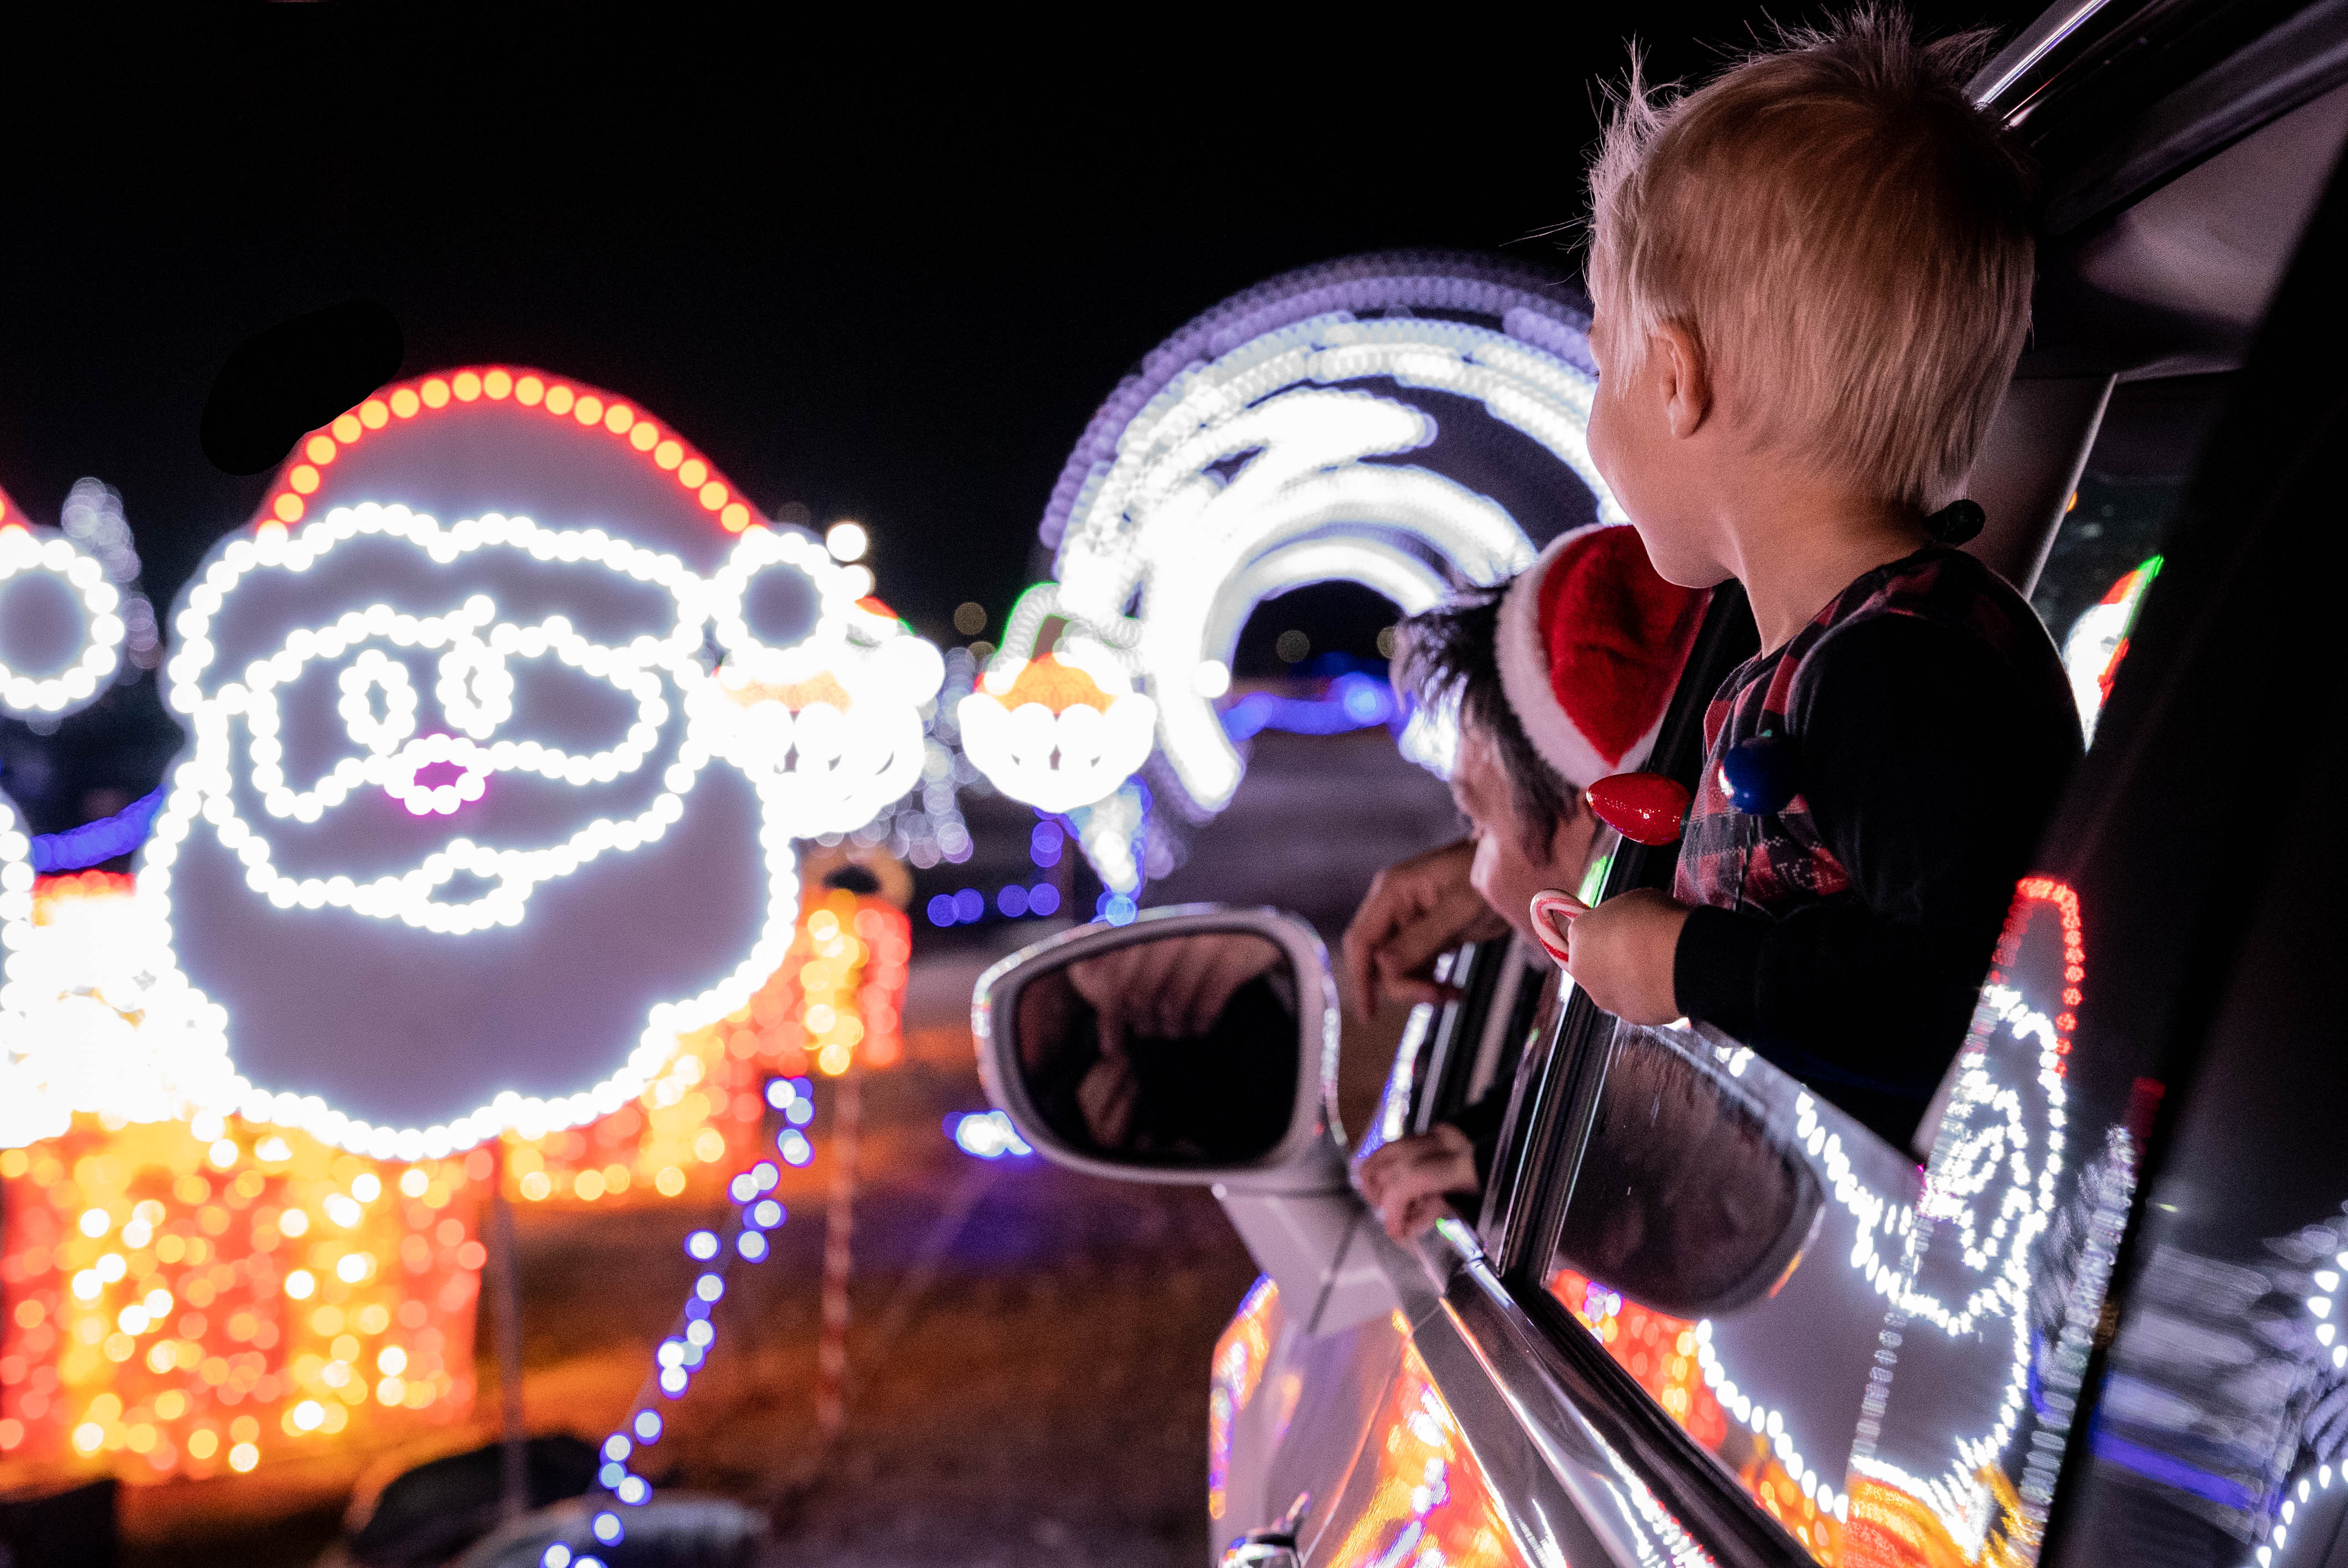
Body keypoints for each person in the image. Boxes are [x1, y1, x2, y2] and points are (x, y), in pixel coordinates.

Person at [1552, 14, 2084, 1149]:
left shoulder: (1894, 674)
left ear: (1674, 380)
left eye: (1603, 366)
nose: (1596, 418)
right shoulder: (1880, 652)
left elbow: (1956, 996)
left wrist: (1676, 962)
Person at [1347, 524, 1706, 1240]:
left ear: (1586, 802)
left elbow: (1680, 1153)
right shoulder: (1741, 943)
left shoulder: (1697, 994)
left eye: (1474, 823)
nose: (1475, 877)